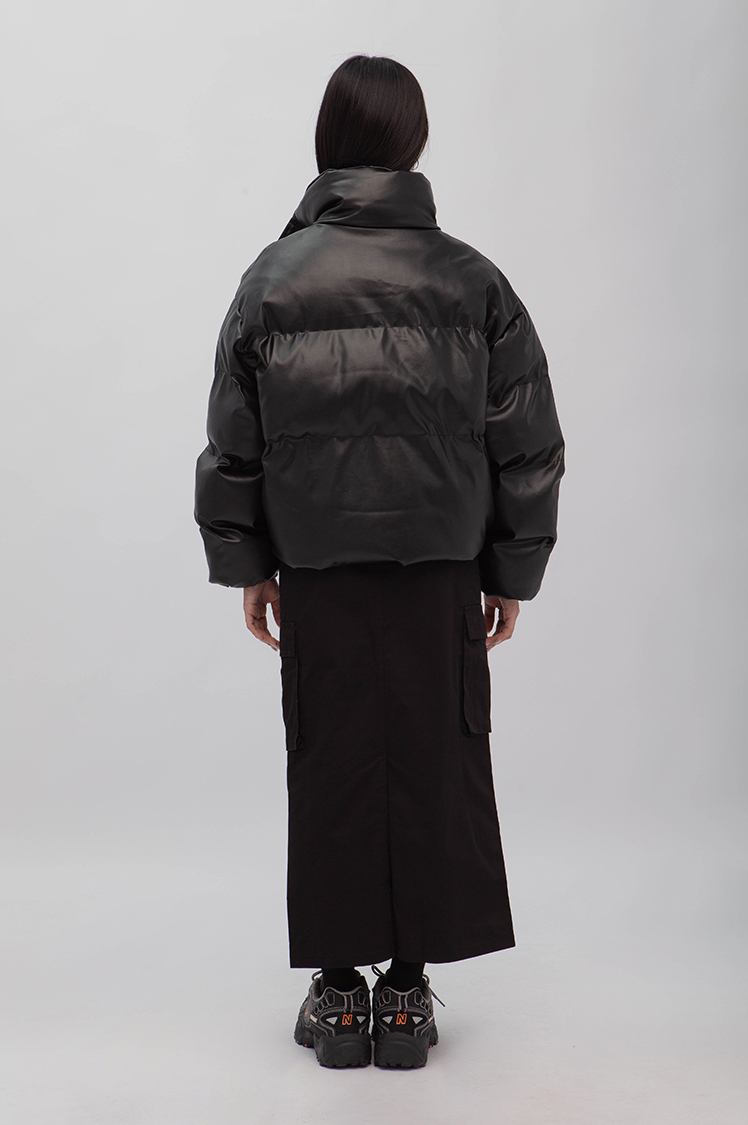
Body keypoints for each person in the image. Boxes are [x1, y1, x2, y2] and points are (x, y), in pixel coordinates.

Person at [194, 54, 565, 1070]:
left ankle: (336, 991)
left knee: (330, 762)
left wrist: (251, 564)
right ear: (414, 144)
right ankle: (406, 995)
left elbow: (233, 439)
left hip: (317, 570)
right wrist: (509, 572)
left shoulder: (273, 279)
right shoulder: (472, 279)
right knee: (436, 760)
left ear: (328, 143)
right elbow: (527, 441)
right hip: (441, 568)